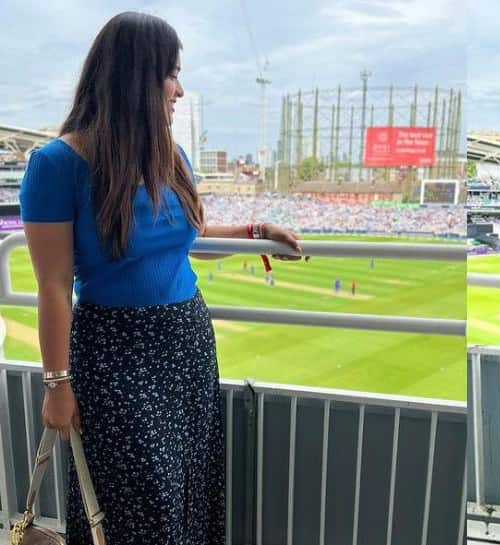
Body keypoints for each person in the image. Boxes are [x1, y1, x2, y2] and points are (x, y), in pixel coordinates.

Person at [18, 12, 304, 545]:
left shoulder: (170, 156)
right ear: (135, 77)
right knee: (135, 500)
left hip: (186, 342)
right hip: (113, 352)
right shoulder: (56, 165)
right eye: (170, 74)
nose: (178, 88)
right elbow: (53, 284)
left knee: (186, 492)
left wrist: (258, 232)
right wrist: (57, 384)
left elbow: (186, 238)